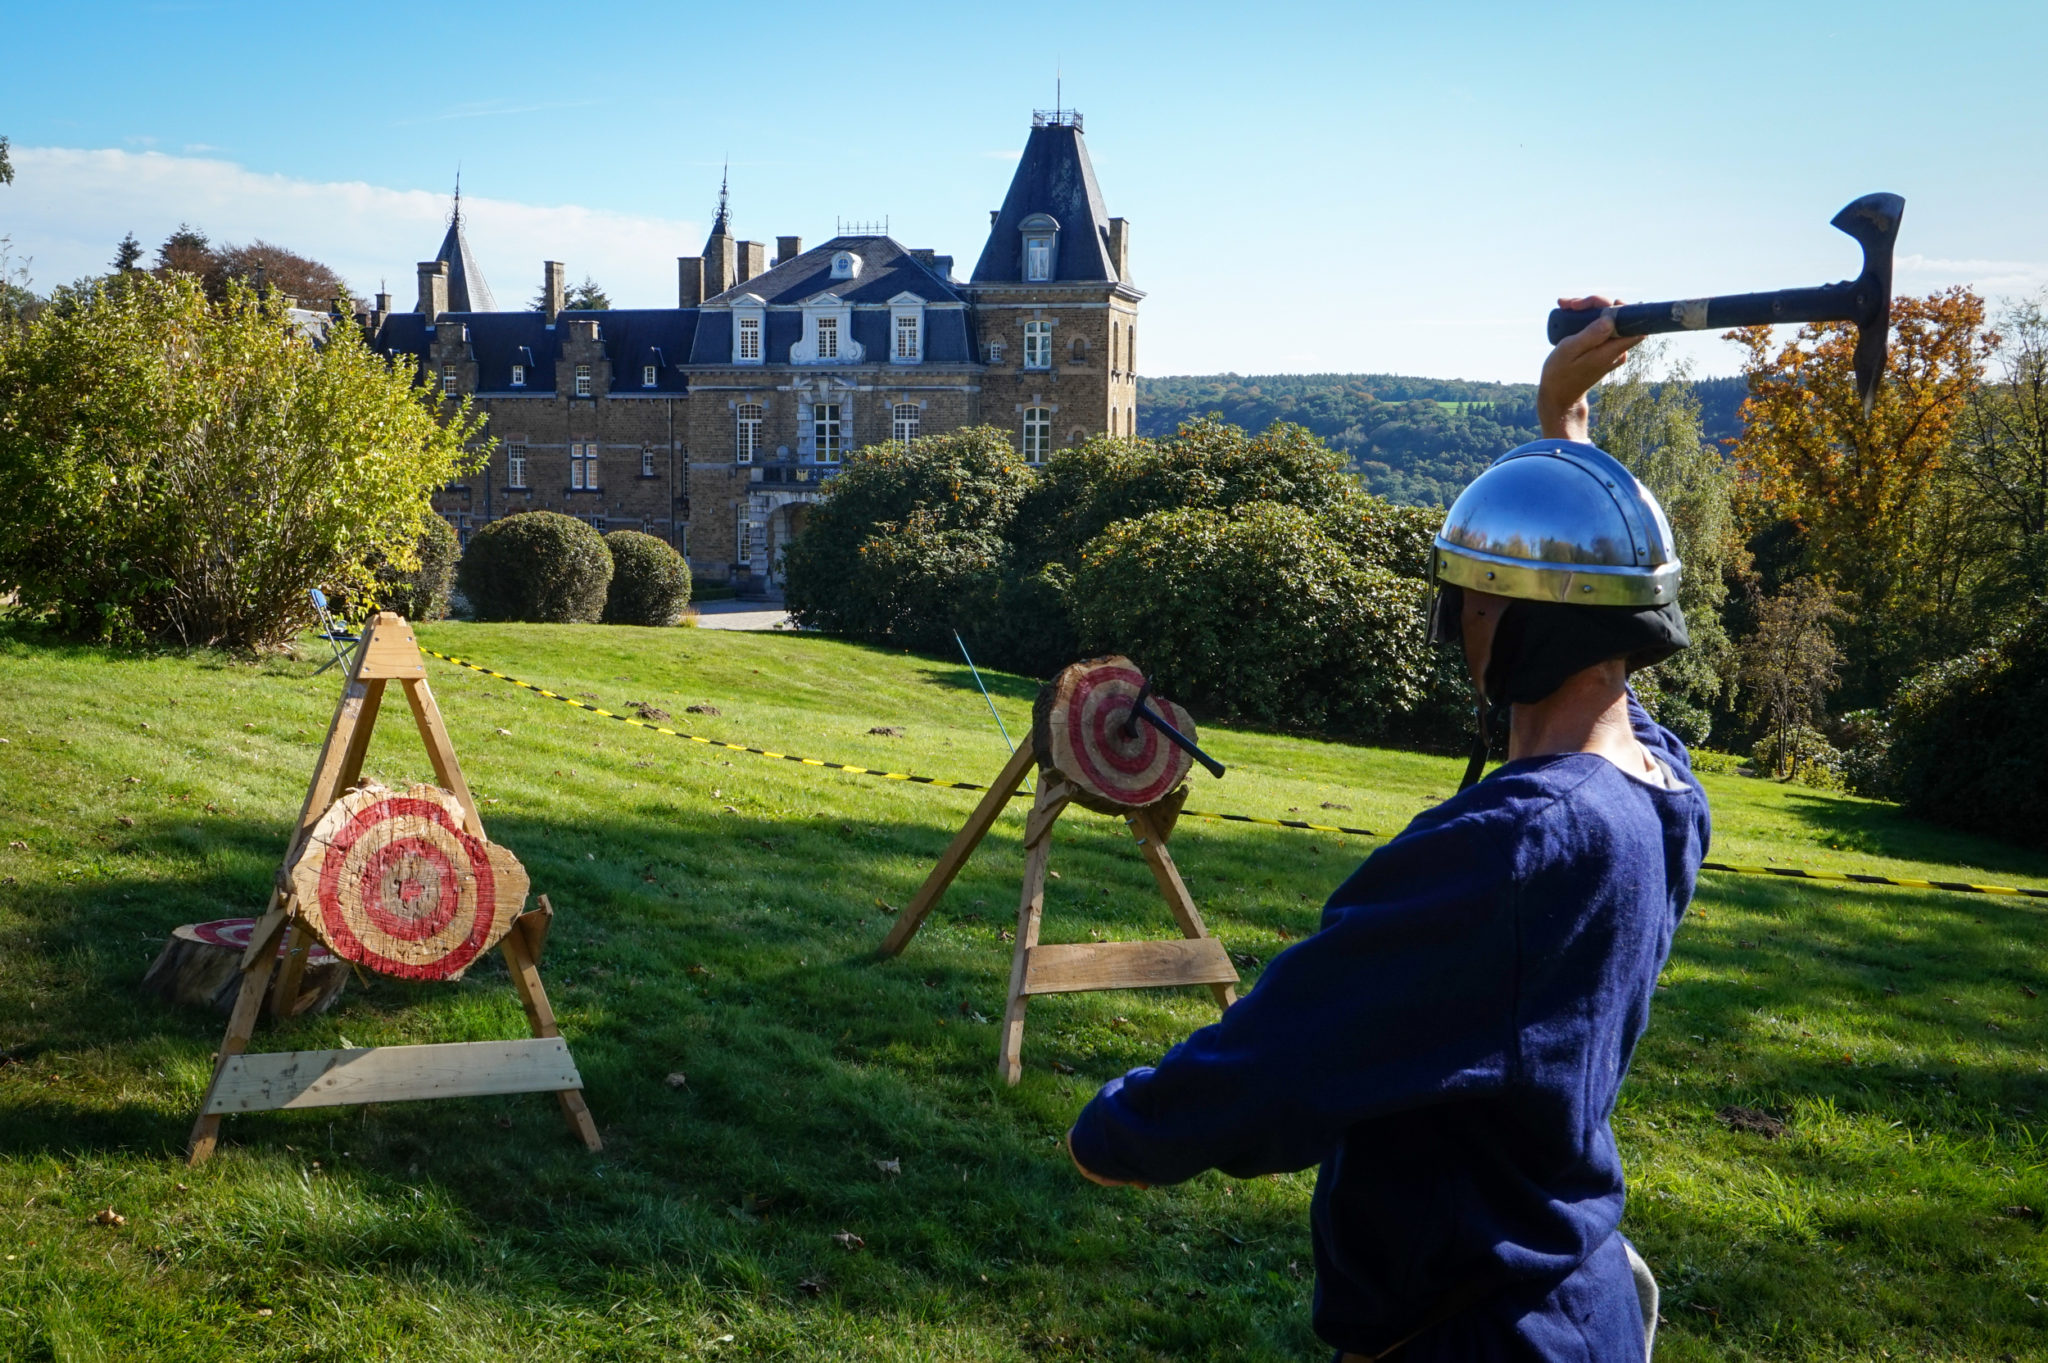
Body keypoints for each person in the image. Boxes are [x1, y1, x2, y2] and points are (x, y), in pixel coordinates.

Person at [1063, 299, 1711, 1362]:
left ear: (1513, 620)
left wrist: (1121, 1130)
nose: (1458, 621)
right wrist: (1564, 425)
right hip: (1576, 1299)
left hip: (1477, 1333)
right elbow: (1605, 643)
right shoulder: (1661, 792)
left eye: (1471, 597)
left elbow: (1288, 1051)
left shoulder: (1507, 848)